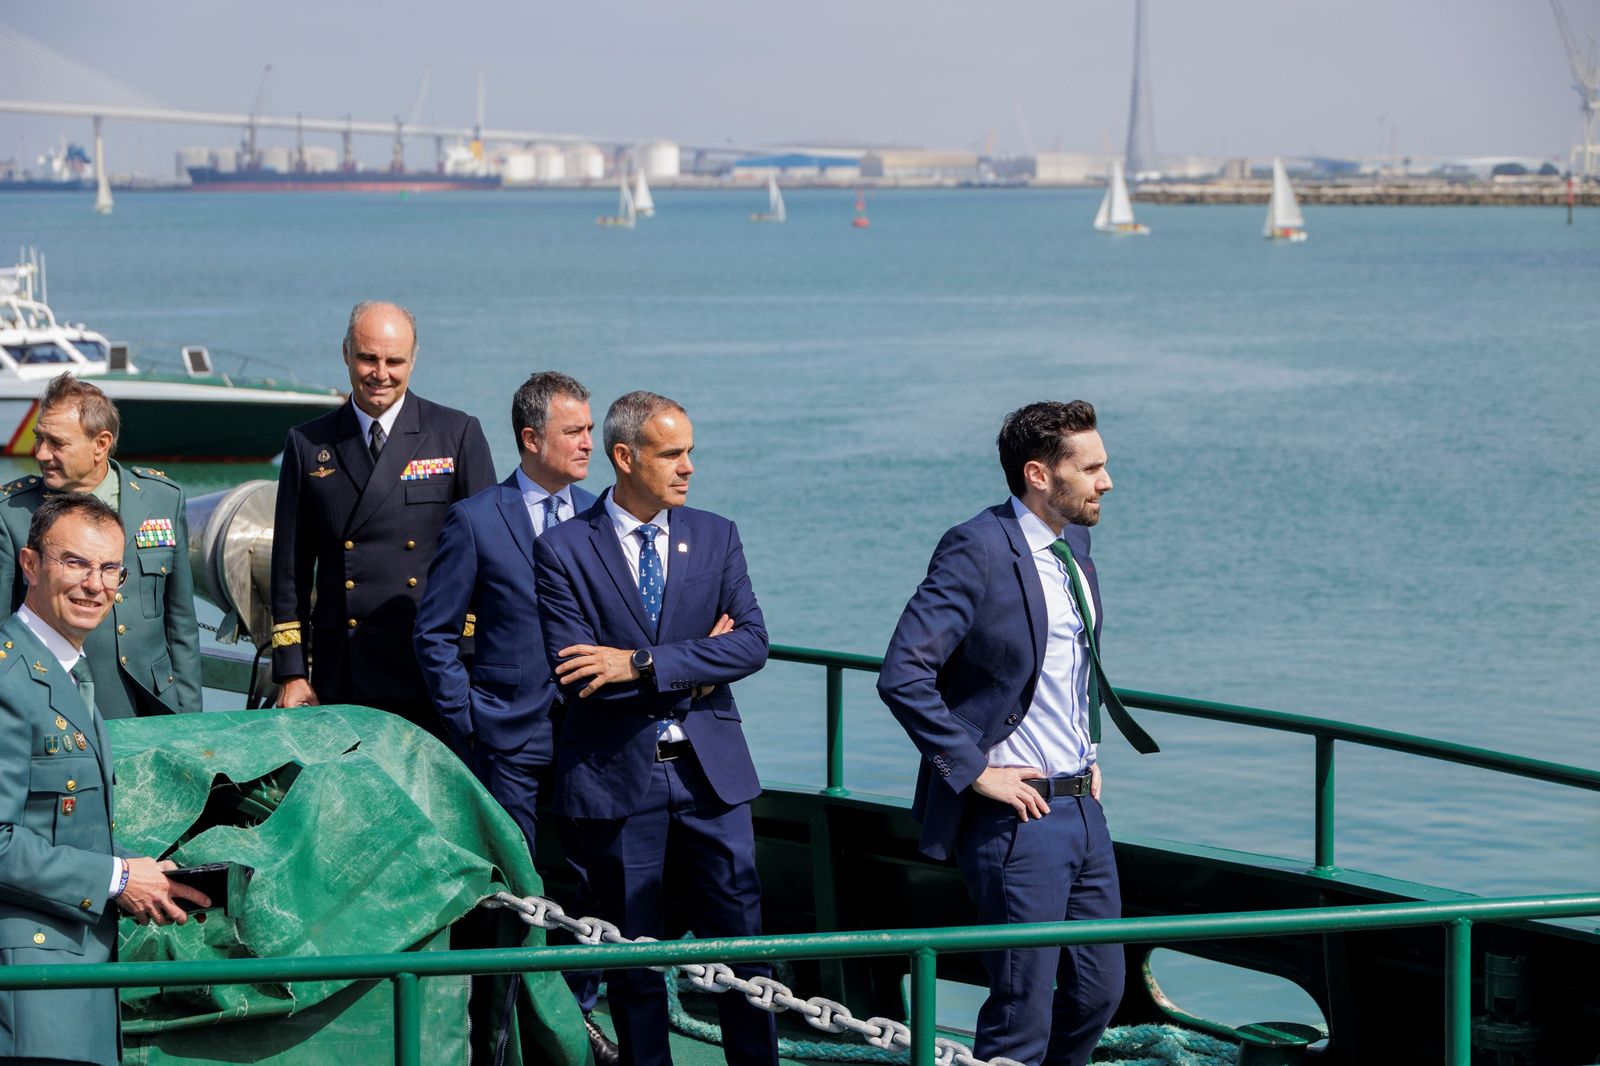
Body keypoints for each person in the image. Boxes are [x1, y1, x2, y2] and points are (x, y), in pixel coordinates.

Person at [876, 400, 1160, 1066]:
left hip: (1084, 808)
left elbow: (1062, 665)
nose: (1106, 482)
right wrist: (973, 770)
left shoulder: (1074, 545)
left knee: (1099, 990)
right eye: (1090, 468)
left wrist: (1087, 751)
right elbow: (902, 673)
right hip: (1018, 819)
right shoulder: (975, 549)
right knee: (1020, 1008)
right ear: (1038, 474)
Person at [534, 391, 777, 1066]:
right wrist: (700, 662)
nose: (688, 467)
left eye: (690, 451)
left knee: (746, 956)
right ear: (624, 457)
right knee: (632, 962)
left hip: (713, 777)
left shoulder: (717, 534)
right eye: (672, 453)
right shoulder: (561, 550)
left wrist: (640, 663)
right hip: (616, 780)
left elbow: (753, 643)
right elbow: (578, 673)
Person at [412, 372, 617, 1063]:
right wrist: (469, 720)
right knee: (512, 895)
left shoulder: (600, 514)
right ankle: (497, 1045)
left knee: (596, 884)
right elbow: (434, 636)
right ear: (532, 439)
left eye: (590, 429)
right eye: (574, 431)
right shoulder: (477, 518)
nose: (590, 443)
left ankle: (578, 1020)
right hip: (505, 739)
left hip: (590, 738)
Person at [0, 494, 209, 1066]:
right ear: (30, 565)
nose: (95, 585)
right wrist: (116, 878)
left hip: (80, 966)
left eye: (109, 569)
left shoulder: (68, 671)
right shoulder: (9, 681)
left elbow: (57, 826)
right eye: (75, 563)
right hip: (33, 982)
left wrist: (145, 871)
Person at [270, 301, 495, 733]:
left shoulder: (455, 433)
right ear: (345, 353)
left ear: (413, 360)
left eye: (394, 361)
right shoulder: (307, 443)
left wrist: (471, 653)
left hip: (436, 668)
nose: (380, 373)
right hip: (345, 670)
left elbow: (488, 559)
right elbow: (289, 572)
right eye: (367, 358)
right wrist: (292, 671)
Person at [0, 373, 201, 718]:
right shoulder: (13, 514)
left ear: (101, 444)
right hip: (54, 706)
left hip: (153, 703)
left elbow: (181, 623)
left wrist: (191, 720)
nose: (42, 453)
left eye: (57, 443)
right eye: (39, 439)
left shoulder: (161, 499)